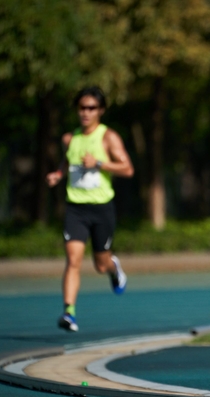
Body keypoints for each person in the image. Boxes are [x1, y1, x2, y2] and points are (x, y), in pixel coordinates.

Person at [46, 86, 134, 332]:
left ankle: (113, 268)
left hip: (101, 208)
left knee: (100, 265)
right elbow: (68, 161)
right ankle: (69, 313)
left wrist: (98, 163)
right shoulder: (69, 139)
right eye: (82, 108)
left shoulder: (108, 138)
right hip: (75, 208)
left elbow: (127, 169)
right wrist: (58, 174)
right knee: (73, 260)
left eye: (91, 108)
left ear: (100, 111)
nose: (86, 113)